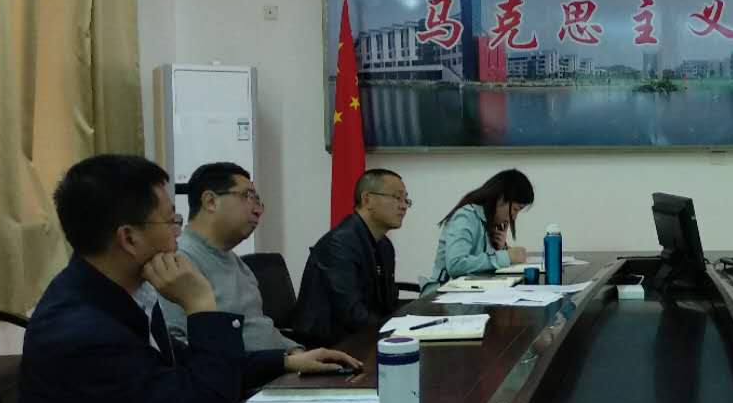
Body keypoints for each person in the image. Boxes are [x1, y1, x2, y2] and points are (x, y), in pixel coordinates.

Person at [8, 155, 248, 403]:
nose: (178, 234)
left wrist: (284, 361)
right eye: (171, 221)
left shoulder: (121, 290)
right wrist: (201, 304)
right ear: (129, 238)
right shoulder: (84, 332)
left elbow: (184, 368)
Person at [159, 162, 362, 388]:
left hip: (276, 374)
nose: (258, 210)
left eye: (258, 201)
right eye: (248, 197)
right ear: (210, 201)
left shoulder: (237, 263)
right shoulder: (178, 263)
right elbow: (179, 351)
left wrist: (297, 352)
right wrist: (287, 362)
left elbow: (259, 328)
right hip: (236, 389)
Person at [291, 168, 407, 345]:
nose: (403, 206)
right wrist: (397, 333)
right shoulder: (339, 244)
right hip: (328, 344)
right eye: (397, 197)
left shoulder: (384, 245)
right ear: (367, 199)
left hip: (364, 337)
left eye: (406, 200)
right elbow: (352, 313)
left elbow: (386, 305)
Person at [423, 169, 534, 296]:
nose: (514, 217)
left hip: (469, 294)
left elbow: (483, 264)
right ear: (501, 198)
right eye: (515, 209)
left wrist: (502, 248)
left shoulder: (489, 221)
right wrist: (505, 256)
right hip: (441, 295)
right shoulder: (465, 217)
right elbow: (456, 265)